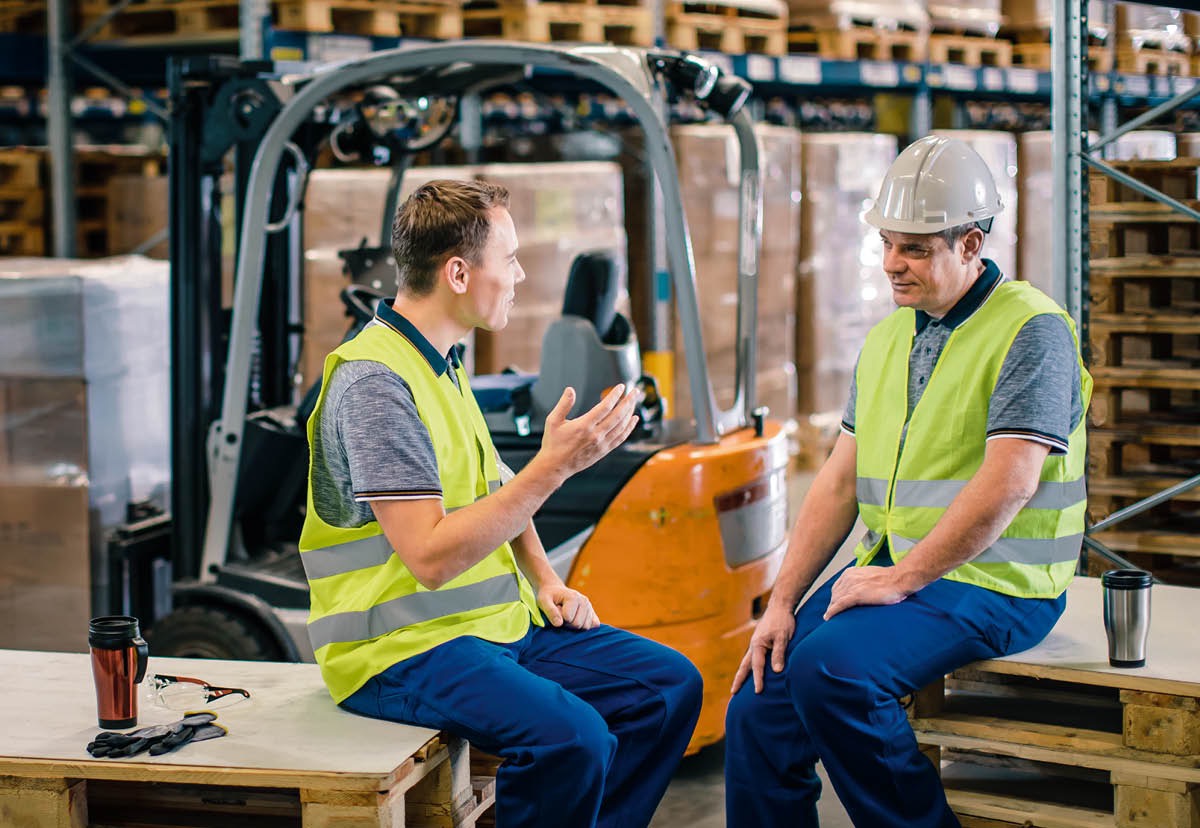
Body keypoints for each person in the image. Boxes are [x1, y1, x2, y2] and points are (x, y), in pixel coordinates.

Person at [298, 179, 703, 827]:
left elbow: (494, 489)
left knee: (667, 688)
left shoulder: (443, 361)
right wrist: (555, 467)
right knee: (573, 739)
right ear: (458, 272)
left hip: (486, 632)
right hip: (398, 651)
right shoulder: (376, 383)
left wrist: (546, 580)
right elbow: (429, 558)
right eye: (509, 259)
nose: (518, 275)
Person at [724, 135, 1092, 827]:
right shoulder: (893, 334)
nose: (893, 264)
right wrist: (780, 603)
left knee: (832, 671)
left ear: (971, 245)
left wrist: (901, 578)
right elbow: (836, 483)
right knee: (757, 698)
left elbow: (1010, 480)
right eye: (889, 244)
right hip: (903, 573)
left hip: (998, 584)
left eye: (916, 249)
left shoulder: (1032, 330)